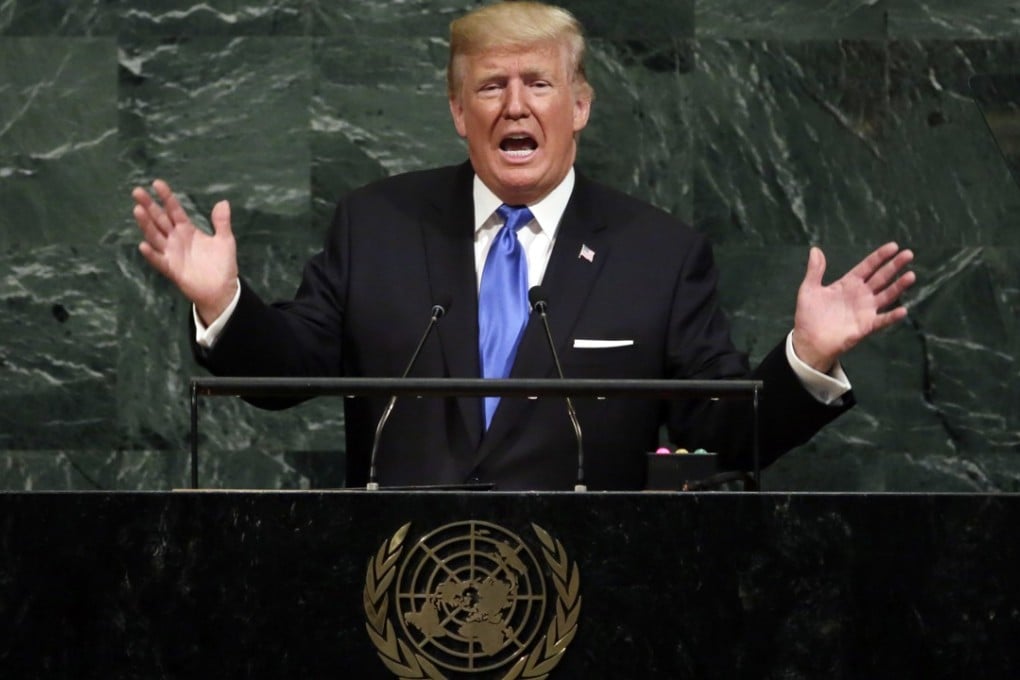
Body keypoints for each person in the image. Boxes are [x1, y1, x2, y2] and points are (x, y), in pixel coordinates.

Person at [131, 1, 914, 490]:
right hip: (401, 590)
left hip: (592, 596)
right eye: (490, 86)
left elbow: (719, 432)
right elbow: (287, 374)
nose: (515, 106)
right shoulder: (377, 225)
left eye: (538, 84)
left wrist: (805, 359)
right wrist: (223, 304)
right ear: (456, 110)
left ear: (579, 106)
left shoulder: (658, 252)